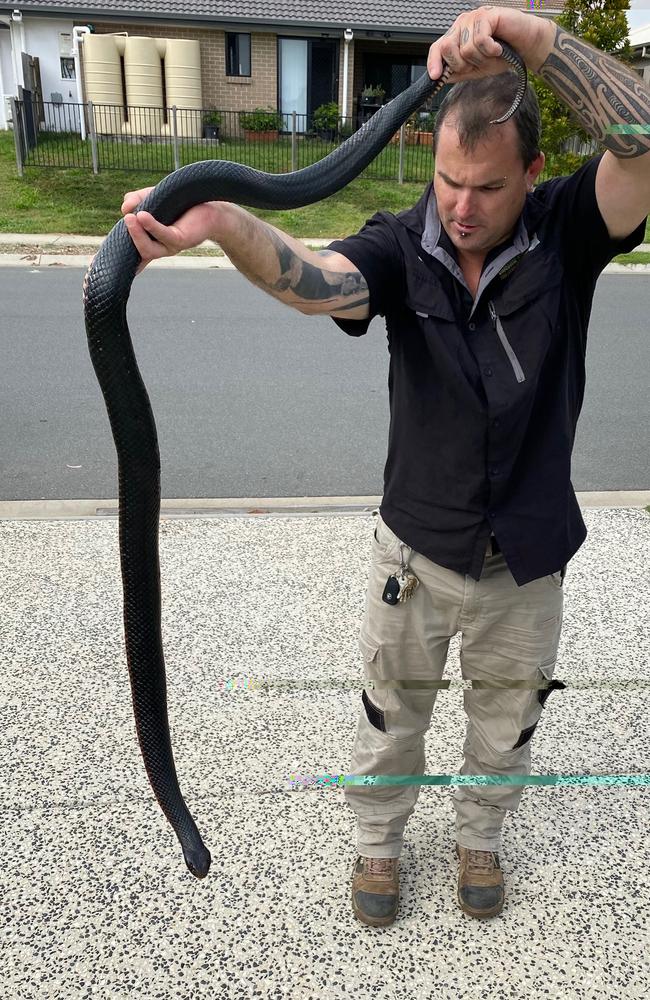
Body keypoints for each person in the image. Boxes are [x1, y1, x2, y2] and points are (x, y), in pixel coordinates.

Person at [120, 6, 648, 929]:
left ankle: (479, 831)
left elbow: (641, 137)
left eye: (486, 186)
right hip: (417, 555)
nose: (461, 205)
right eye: (448, 180)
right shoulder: (403, 248)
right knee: (388, 718)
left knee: (505, 722)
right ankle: (377, 846)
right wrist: (220, 222)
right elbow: (312, 278)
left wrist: (533, 35)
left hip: (526, 557)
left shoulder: (569, 232)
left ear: (531, 173)